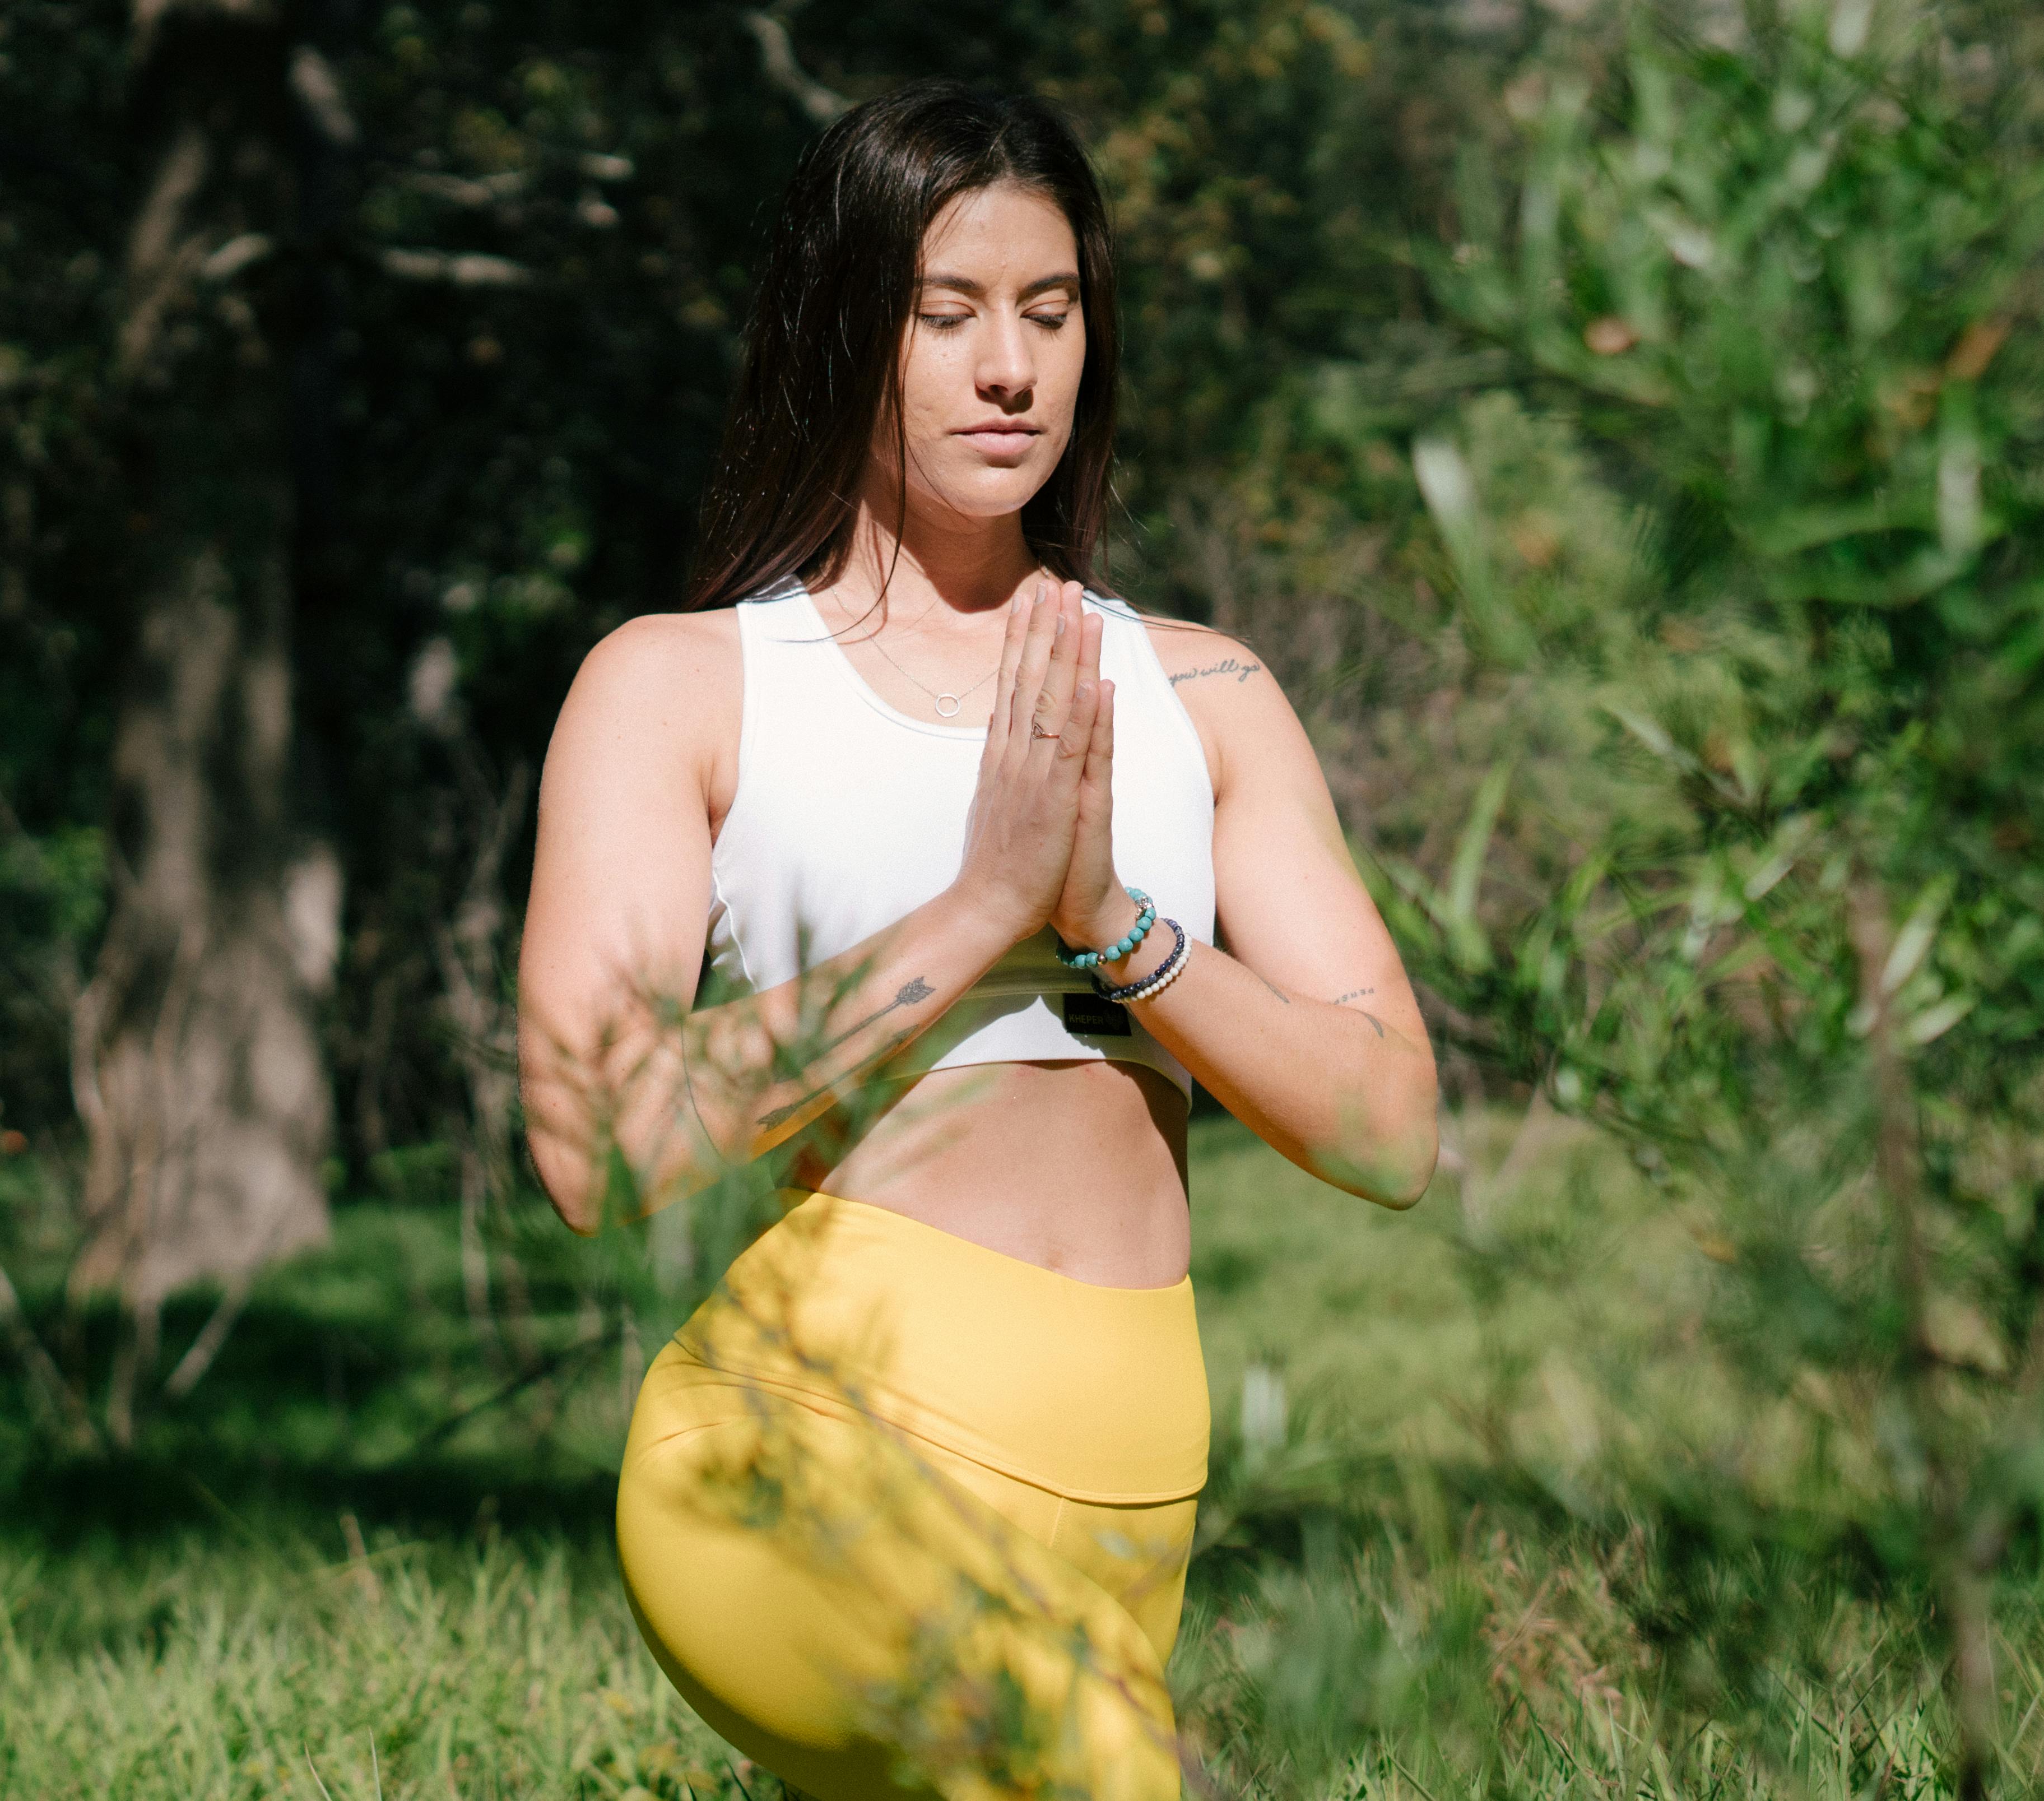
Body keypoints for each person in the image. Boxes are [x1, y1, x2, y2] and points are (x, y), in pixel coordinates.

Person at [518, 79, 1438, 1801]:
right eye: (944, 317)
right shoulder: (681, 688)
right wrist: (977, 907)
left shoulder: (1204, 692)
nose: (1008, 367)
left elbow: (1389, 1128)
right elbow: (595, 1144)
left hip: (1119, 1499)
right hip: (804, 1444)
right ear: (841, 332)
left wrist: (1112, 923)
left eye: (1048, 310)